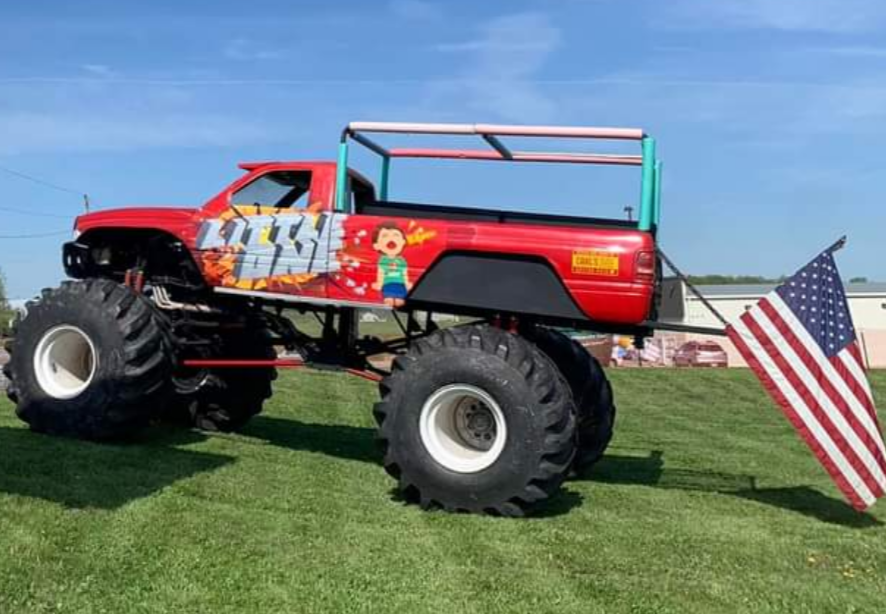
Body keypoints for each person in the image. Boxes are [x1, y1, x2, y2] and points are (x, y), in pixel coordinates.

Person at [371, 221, 412, 307]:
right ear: (376, 245)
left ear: (403, 242)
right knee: (388, 301)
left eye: (395, 235)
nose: (391, 238)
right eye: (385, 236)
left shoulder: (402, 260)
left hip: (401, 285)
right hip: (388, 284)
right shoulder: (383, 260)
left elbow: (404, 273)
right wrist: (379, 283)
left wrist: (407, 283)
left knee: (399, 303)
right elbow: (381, 273)